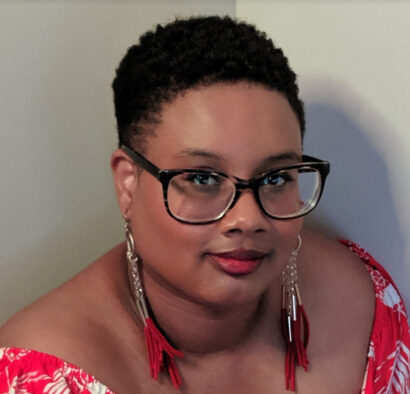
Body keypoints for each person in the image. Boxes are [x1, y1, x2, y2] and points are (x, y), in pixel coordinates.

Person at [0, 15, 409, 394]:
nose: (248, 219)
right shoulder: (47, 372)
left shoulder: (363, 310)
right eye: (202, 178)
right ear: (128, 183)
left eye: (276, 178)